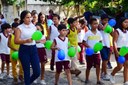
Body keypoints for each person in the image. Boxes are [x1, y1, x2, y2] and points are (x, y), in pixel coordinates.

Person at [14, 10, 40, 85]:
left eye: (30, 17)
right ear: (23, 19)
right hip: (24, 50)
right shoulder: (19, 28)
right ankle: (27, 83)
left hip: (33, 49)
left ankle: (27, 82)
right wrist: (25, 41)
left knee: (37, 71)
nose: (29, 19)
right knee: (26, 71)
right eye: (27, 17)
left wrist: (40, 40)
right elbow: (16, 41)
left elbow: (35, 39)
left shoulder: (34, 26)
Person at [83, 18, 104, 85]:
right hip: (89, 53)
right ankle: (87, 79)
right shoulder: (88, 33)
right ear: (90, 24)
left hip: (97, 53)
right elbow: (83, 42)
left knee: (98, 66)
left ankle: (98, 80)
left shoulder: (99, 33)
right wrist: (89, 47)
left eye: (97, 23)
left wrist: (98, 48)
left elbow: (100, 42)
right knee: (88, 66)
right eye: (94, 23)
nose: (96, 25)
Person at [110, 17, 128, 85]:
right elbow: (114, 42)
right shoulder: (117, 31)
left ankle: (126, 81)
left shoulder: (127, 32)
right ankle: (112, 74)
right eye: (125, 22)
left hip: (126, 50)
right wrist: (116, 51)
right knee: (120, 66)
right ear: (121, 23)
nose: (127, 24)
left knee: (126, 66)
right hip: (119, 50)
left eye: (127, 22)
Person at [99, 14, 111, 80]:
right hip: (102, 45)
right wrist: (107, 24)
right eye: (105, 20)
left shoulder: (108, 26)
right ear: (101, 20)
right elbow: (102, 29)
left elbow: (111, 32)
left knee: (106, 60)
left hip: (107, 44)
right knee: (105, 59)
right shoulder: (99, 25)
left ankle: (102, 73)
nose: (106, 21)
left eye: (107, 20)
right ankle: (105, 73)